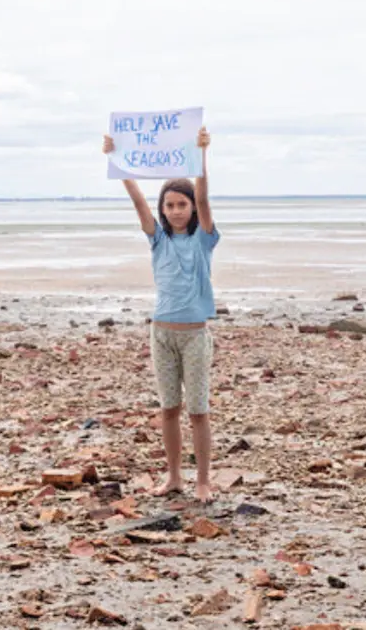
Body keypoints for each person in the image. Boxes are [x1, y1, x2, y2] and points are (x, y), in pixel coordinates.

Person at [102, 126, 220, 503]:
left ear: (191, 208)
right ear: (163, 210)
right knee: (169, 409)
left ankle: (202, 481)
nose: (176, 210)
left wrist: (201, 155)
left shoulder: (203, 238)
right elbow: (138, 201)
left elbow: (204, 197)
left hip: (195, 336)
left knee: (197, 411)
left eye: (181, 204)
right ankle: (174, 477)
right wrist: (116, 158)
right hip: (162, 334)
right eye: (169, 205)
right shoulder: (158, 240)